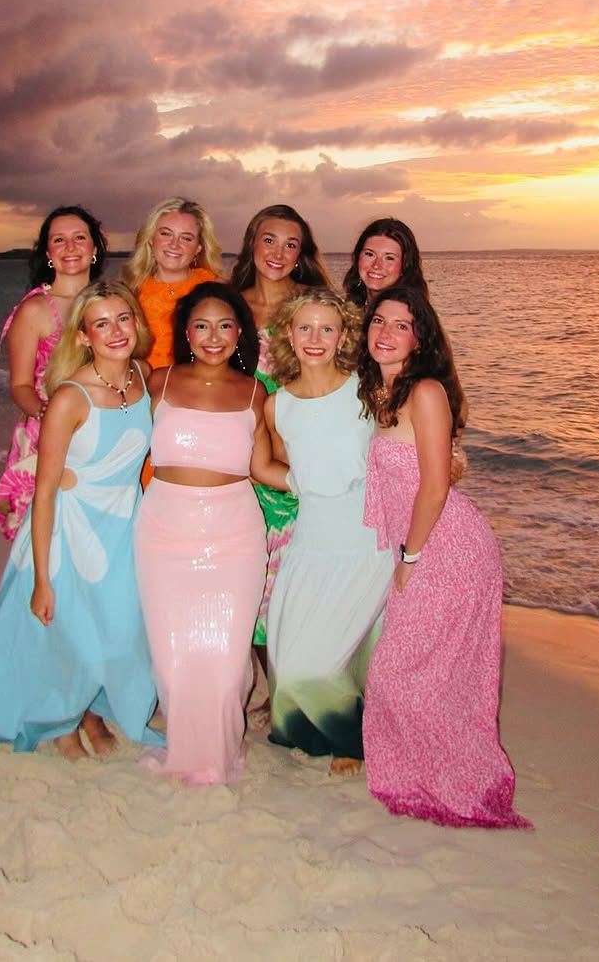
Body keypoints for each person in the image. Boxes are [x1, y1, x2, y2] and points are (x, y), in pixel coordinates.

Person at [0, 281, 162, 759]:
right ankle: (61, 722)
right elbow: (46, 489)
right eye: (101, 324)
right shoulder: (70, 397)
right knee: (65, 628)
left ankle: (89, 709)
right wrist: (41, 580)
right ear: (84, 336)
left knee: (116, 626)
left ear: (137, 323)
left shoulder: (144, 375)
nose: (116, 331)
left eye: (123, 319)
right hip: (70, 526)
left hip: (124, 525)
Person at [357, 285, 529, 828]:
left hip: (446, 548)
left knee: (402, 672)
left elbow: (434, 487)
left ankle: (459, 782)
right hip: (422, 544)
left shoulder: (425, 391)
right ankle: (422, 775)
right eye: (378, 321)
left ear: (420, 338)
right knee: (422, 672)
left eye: (401, 325)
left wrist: (409, 557)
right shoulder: (381, 391)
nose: (385, 333)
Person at [134, 282, 284, 784]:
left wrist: (331, 484)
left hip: (234, 535)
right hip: (163, 530)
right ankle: (185, 751)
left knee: (224, 661)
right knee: (172, 659)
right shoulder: (157, 382)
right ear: (186, 333)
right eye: (201, 325)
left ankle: (215, 757)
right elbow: (114, 435)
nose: (213, 337)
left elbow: (265, 467)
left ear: (240, 333)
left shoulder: (256, 392)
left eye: (224, 326)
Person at [262, 289, 393, 775]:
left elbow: (399, 452)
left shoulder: (367, 390)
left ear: (343, 336)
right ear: (288, 333)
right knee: (291, 656)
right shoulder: (277, 406)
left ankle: (351, 740)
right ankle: (319, 730)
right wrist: (303, 483)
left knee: (347, 649)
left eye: (326, 329)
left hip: (365, 537)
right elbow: (277, 465)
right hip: (310, 538)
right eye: (305, 327)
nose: (314, 338)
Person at [228, 205, 331, 666]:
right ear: (252, 242)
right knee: (249, 577)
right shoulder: (229, 306)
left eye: (291, 244)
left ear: (301, 253)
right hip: (241, 457)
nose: (279, 252)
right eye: (269, 239)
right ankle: (263, 678)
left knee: (298, 579)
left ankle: (288, 686)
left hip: (300, 455)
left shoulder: (314, 304)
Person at [0, 205, 107, 541]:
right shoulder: (35, 309)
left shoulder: (109, 302)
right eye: (59, 240)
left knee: (92, 538)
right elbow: (20, 386)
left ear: (94, 247)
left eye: (79, 238)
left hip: (100, 432)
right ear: (48, 252)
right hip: (48, 432)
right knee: (46, 538)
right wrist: (50, 414)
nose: (70, 247)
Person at [123, 198, 224, 367]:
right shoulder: (130, 292)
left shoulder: (216, 290)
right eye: (165, 234)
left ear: (198, 247)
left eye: (186, 238)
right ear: (151, 239)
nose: (174, 245)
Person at [342, 217, 430, 311]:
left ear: (405, 265)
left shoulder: (407, 313)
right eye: (370, 254)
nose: (376, 265)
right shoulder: (349, 310)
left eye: (389, 258)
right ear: (357, 256)